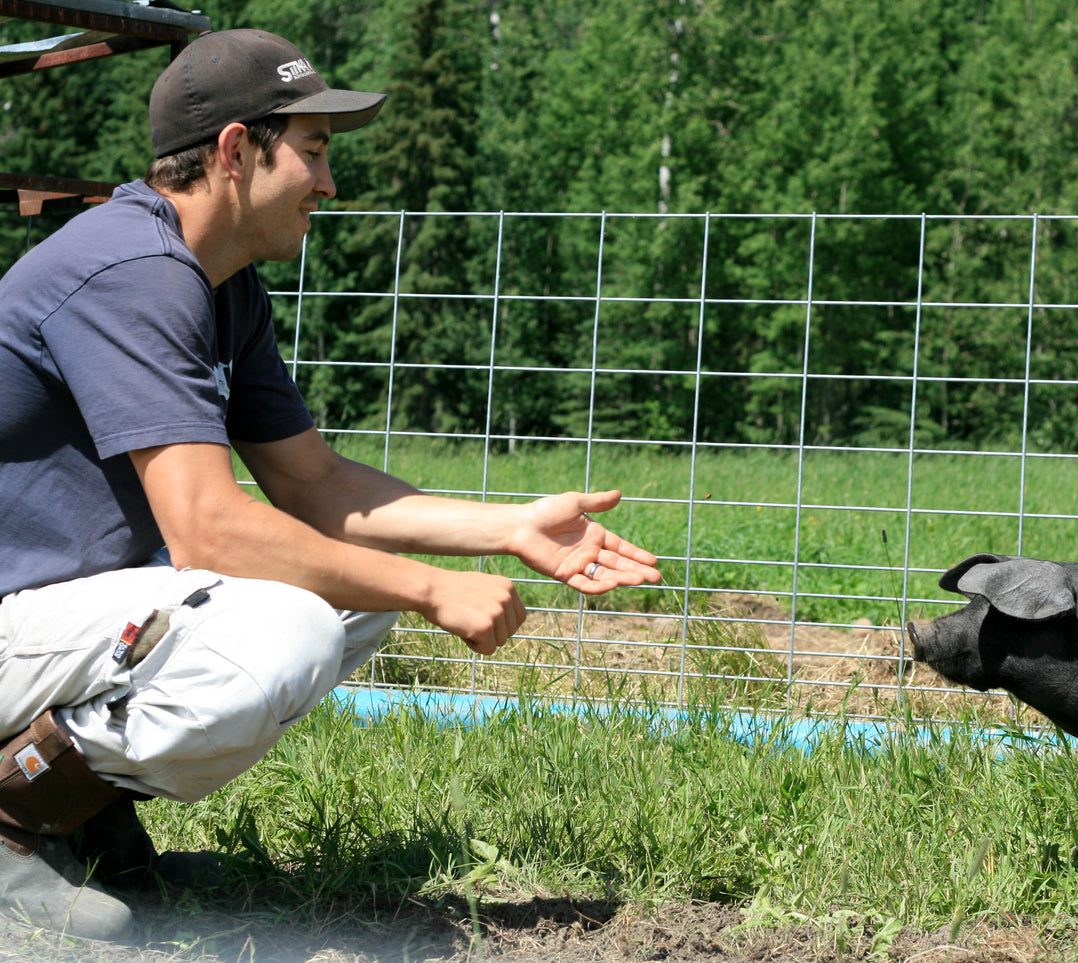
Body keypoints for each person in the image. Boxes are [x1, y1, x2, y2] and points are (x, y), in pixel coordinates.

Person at [0, 28, 661, 941]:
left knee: (355, 584)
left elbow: (314, 480)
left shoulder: (219, 284)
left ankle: (86, 816)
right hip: (14, 614)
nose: (329, 182)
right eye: (312, 151)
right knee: (291, 622)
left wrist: (509, 526)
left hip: (46, 613)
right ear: (236, 151)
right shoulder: (132, 271)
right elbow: (209, 531)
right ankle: (15, 819)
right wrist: (433, 589)